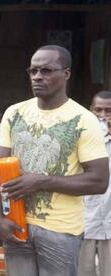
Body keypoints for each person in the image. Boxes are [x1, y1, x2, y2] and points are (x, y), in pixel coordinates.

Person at [0, 45, 109, 276]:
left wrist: (41, 181)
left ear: (66, 74)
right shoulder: (14, 113)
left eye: (46, 71)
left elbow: (99, 181)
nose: (37, 77)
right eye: (33, 71)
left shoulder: (83, 119)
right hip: (16, 222)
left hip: (60, 231)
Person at [77, 91, 111, 276]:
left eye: (109, 111)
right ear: (91, 112)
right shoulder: (80, 138)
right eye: (98, 110)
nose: (103, 116)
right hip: (85, 221)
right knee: (83, 272)